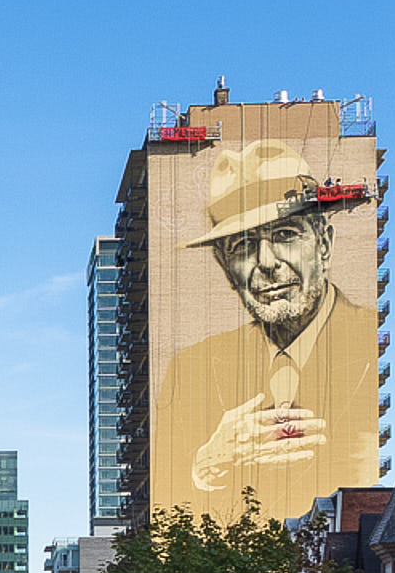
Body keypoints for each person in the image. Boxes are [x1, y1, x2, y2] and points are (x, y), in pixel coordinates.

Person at [156, 140, 382, 520]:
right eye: (244, 246)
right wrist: (205, 467)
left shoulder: (369, 343)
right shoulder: (190, 368)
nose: (266, 263)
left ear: (324, 245)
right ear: (225, 266)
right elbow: (168, 513)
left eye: (285, 235)